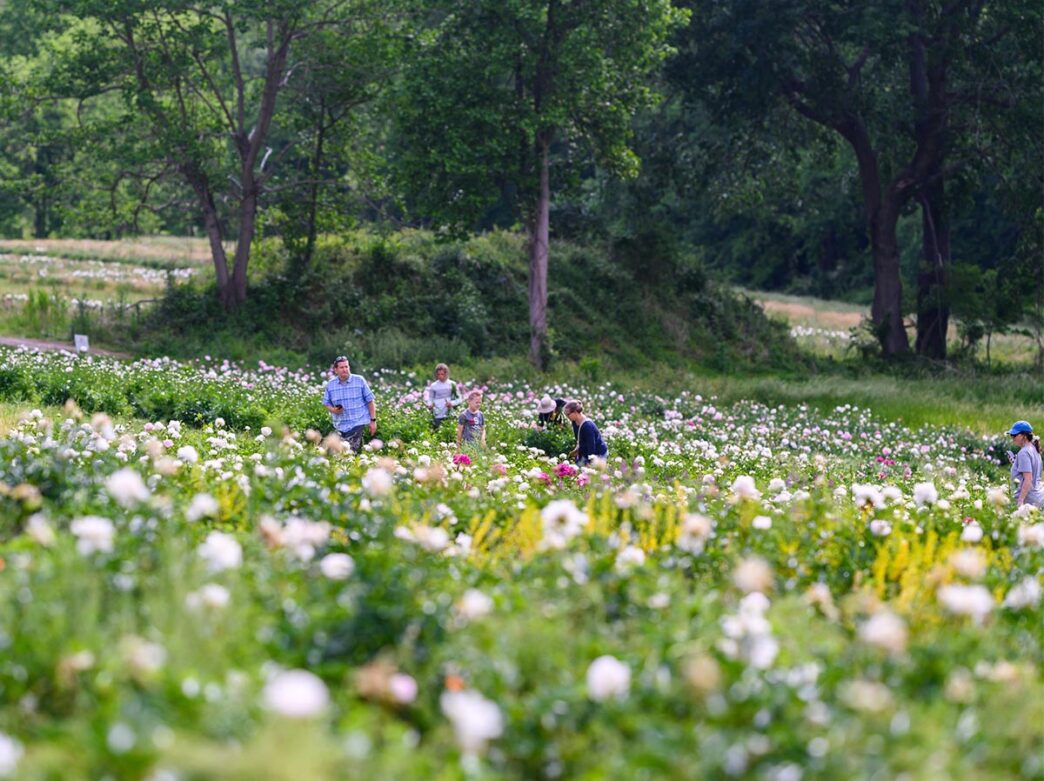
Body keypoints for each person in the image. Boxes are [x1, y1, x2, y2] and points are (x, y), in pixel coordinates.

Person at [322, 355, 376, 453]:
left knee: (348, 453)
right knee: (332, 452)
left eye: (346, 366)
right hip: (339, 425)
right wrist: (333, 410)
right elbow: (326, 403)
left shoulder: (359, 380)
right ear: (336, 370)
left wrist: (373, 421)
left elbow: (370, 400)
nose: (345, 369)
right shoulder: (330, 385)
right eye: (342, 367)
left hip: (357, 423)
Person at [1008, 420, 1044, 508]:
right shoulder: (1034, 449)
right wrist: (1015, 463)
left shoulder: (1024, 453)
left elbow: (1028, 479)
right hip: (1038, 496)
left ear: (1023, 436)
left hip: (1028, 501)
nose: (1012, 438)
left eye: (1014, 435)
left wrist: (1020, 502)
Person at [563, 399, 608, 466]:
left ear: (575, 412)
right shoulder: (574, 422)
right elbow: (579, 440)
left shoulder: (587, 426)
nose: (567, 417)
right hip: (585, 451)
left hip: (598, 453)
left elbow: (591, 446)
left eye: (568, 414)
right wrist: (576, 451)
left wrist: (589, 463)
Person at [423, 363, 463, 429]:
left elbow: (459, 399)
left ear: (446, 374)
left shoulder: (452, 384)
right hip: (437, 414)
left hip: (449, 413)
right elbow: (430, 398)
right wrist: (430, 405)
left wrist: (452, 403)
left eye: (442, 374)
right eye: (438, 374)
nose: (440, 376)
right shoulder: (434, 385)